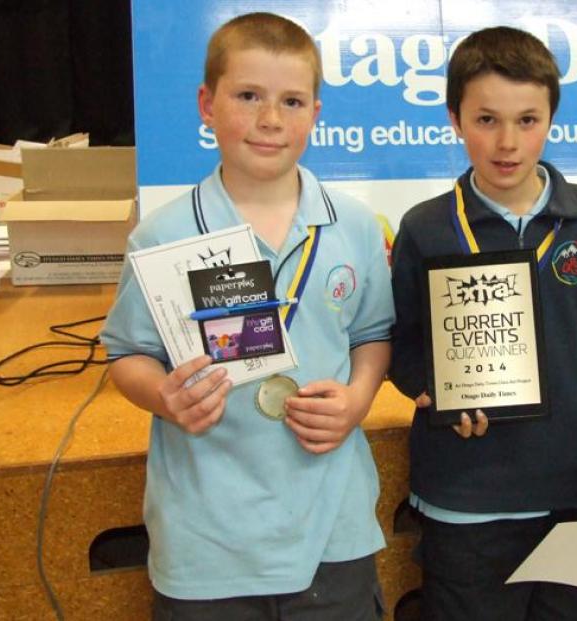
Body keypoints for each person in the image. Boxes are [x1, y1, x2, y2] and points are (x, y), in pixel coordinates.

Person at [101, 12, 393, 620]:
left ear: (316, 113)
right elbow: (126, 354)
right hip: (207, 543)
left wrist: (359, 396)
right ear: (207, 105)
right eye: (248, 96)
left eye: (291, 101)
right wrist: (163, 396)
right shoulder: (163, 235)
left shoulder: (356, 226)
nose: (269, 120)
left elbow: (371, 334)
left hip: (332, 532)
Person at [389, 26, 577, 621]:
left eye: (527, 120)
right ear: (454, 119)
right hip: (466, 496)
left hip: (572, 493)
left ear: (551, 117)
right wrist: (437, 391)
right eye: (486, 119)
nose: (507, 142)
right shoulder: (426, 227)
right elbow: (403, 351)